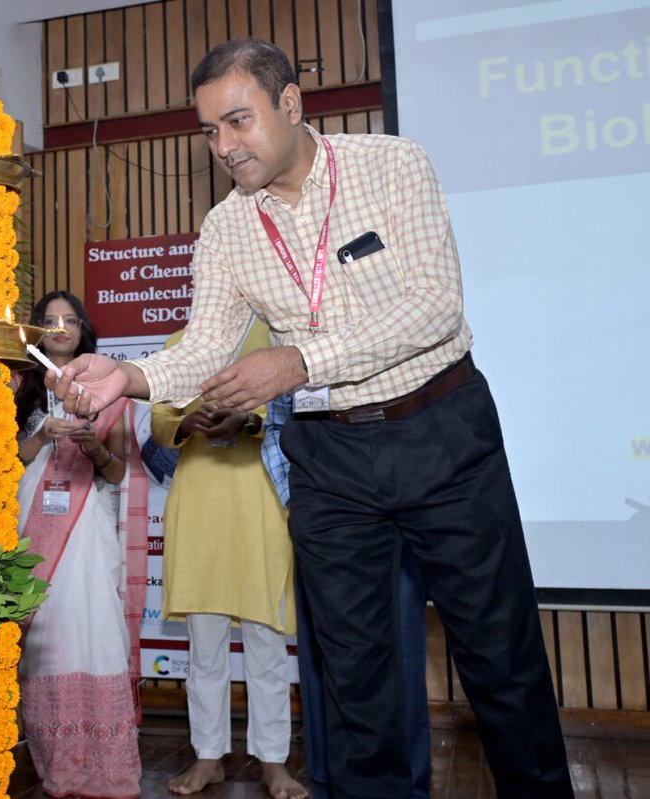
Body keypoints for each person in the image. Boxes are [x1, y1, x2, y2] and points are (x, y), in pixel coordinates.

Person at [48, 37, 572, 798]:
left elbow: (433, 306)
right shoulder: (226, 227)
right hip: (331, 459)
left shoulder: (393, 166)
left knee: (502, 659)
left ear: (291, 104)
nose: (224, 147)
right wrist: (125, 376)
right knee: (355, 681)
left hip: (442, 434)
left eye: (238, 121)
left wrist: (297, 362)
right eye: (209, 132)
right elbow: (204, 347)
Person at [152, 320, 306, 799]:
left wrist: (250, 420)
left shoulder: (281, 338)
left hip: (259, 500)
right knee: (206, 644)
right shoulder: (180, 344)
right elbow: (159, 424)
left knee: (265, 639)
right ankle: (208, 757)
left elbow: (298, 417)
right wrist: (184, 424)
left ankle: (274, 762)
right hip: (198, 502)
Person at [263, 395, 432, 799]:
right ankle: (330, 782)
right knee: (327, 659)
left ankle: (410, 786)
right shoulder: (288, 340)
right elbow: (276, 428)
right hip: (325, 518)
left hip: (401, 512)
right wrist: (301, 500)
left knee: (399, 657)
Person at [14, 291, 148, 799]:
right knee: (48, 637)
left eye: (71, 320)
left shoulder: (106, 389)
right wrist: (44, 436)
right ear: (37, 331)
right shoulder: (19, 389)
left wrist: (93, 448)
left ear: (84, 330)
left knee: (91, 630)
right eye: (50, 321)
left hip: (87, 526)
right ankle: (59, 764)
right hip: (32, 526)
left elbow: (116, 472)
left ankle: (106, 763)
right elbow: (6, 463)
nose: (61, 328)